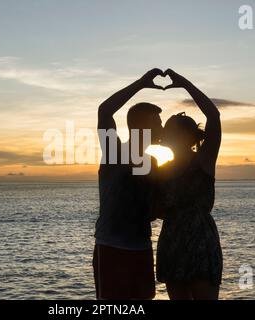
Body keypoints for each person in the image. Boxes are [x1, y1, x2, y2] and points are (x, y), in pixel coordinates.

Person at [93, 68, 164, 299]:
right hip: (112, 246)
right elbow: (104, 111)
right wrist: (141, 83)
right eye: (157, 124)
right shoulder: (115, 152)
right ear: (141, 127)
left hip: (141, 247)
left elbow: (155, 207)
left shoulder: (153, 162)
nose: (161, 129)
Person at [153, 69, 223, 300]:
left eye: (172, 130)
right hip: (173, 239)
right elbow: (156, 209)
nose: (167, 134)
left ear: (188, 136)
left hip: (200, 239)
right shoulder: (160, 170)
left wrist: (184, 83)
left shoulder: (202, 161)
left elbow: (214, 116)